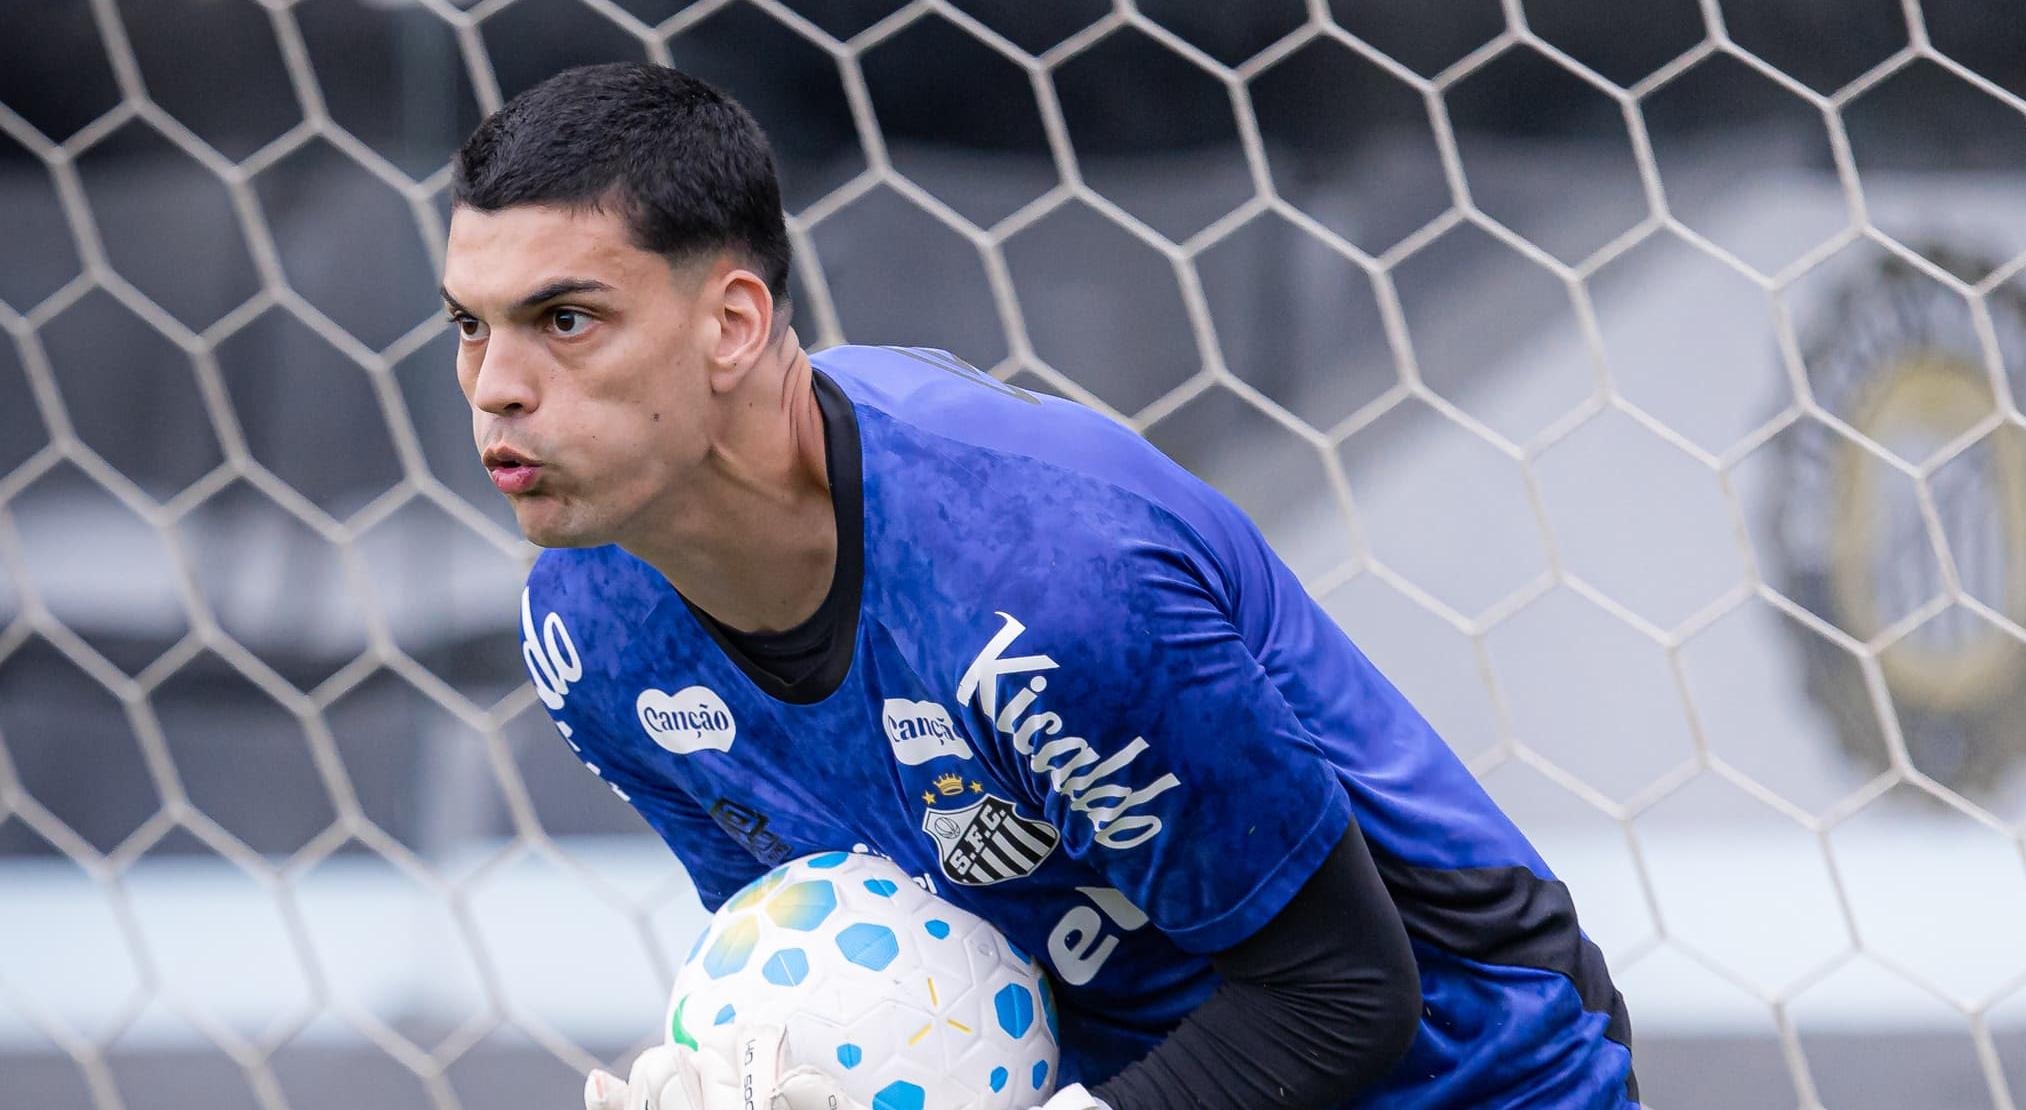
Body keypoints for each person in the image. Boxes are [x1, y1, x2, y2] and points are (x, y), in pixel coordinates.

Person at [445, 61, 1636, 1110]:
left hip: (1478, 1075)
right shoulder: (589, 640)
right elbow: (893, 970)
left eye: (564, 319)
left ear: (734, 325)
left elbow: (1344, 993)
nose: (495, 384)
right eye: (468, 326)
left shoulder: (1041, 576)